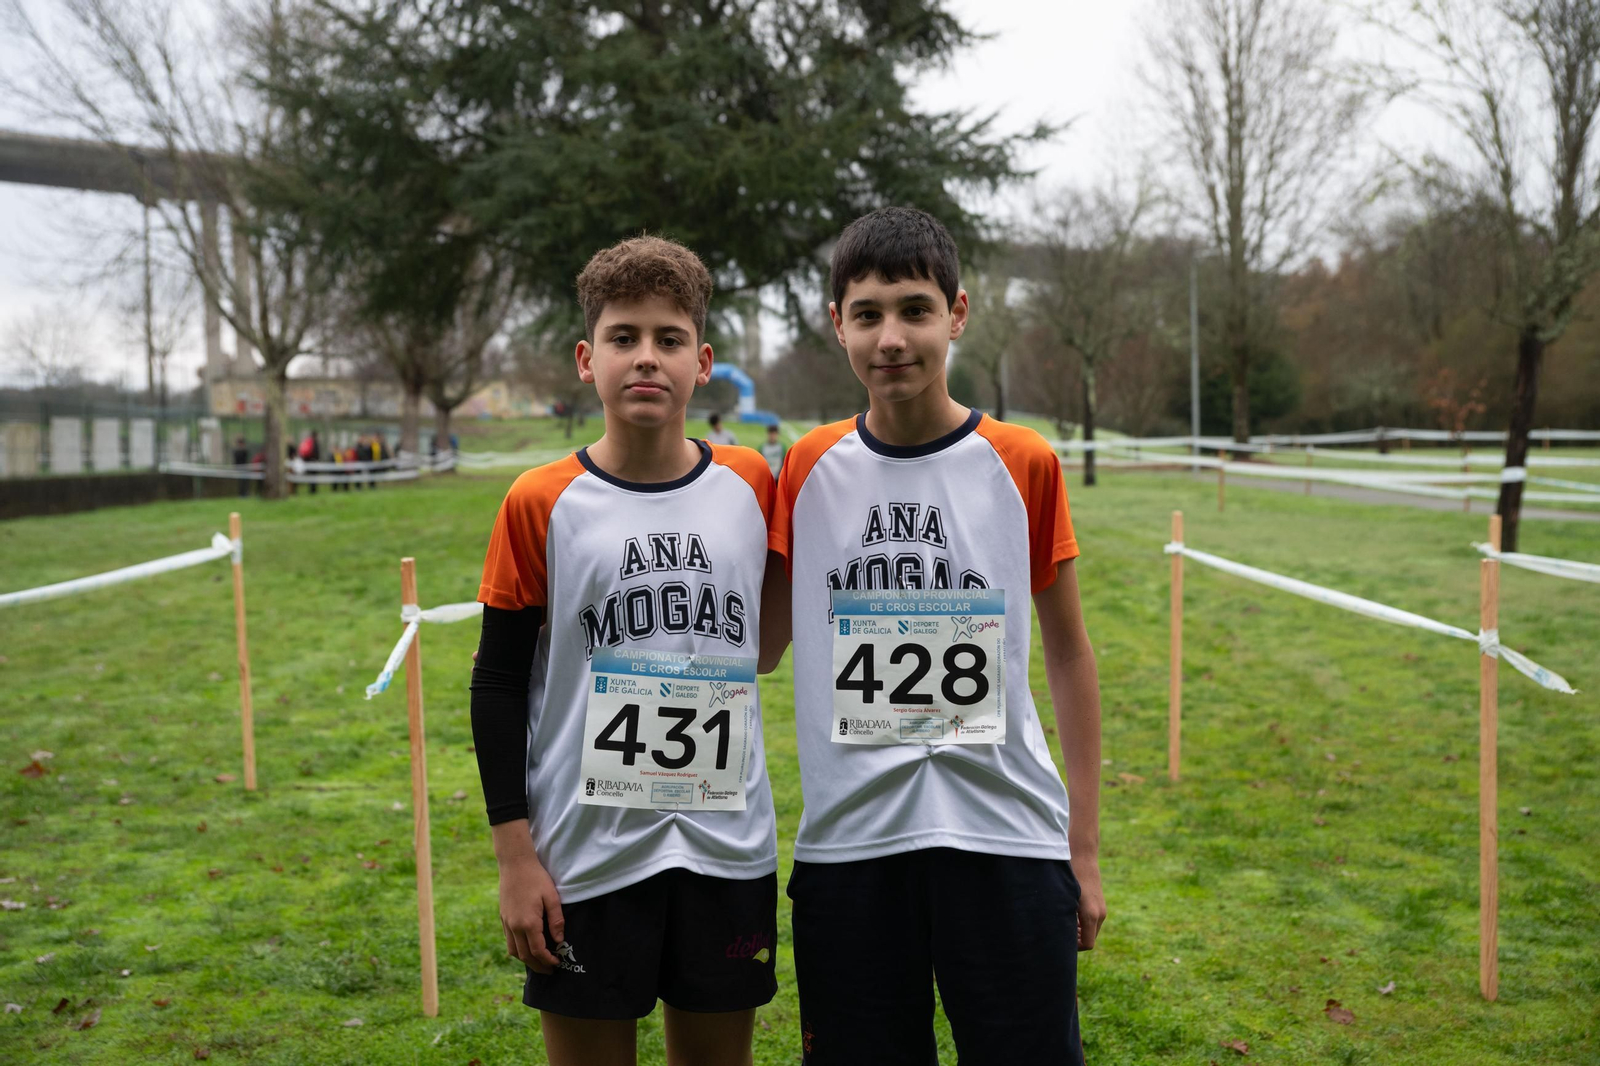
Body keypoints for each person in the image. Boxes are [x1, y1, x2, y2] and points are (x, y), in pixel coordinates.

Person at [767, 207, 1106, 1065]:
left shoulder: (1024, 461)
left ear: (957, 314)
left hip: (1006, 839)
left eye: (914, 310)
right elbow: (757, 645)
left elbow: (1069, 653)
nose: (891, 338)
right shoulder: (806, 468)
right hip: (851, 848)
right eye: (868, 313)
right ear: (837, 323)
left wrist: (1083, 848)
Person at [469, 235, 788, 1066]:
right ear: (588, 359)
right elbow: (497, 683)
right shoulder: (540, 501)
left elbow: (769, 647)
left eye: (669, 338)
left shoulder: (751, 484)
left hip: (726, 851)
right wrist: (515, 859)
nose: (646, 356)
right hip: (586, 857)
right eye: (624, 337)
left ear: (703, 363)